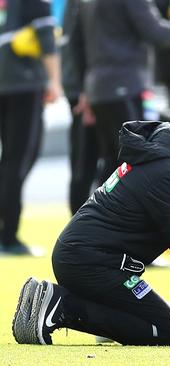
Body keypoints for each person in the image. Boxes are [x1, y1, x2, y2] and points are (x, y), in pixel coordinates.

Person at [12, 92, 170, 346]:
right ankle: (61, 305)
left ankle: (106, 318)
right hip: (91, 265)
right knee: (168, 331)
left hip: (90, 259)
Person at [70, 0, 170, 184]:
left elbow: (76, 45)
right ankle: (109, 211)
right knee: (135, 161)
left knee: (114, 162)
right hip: (127, 86)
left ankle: (100, 211)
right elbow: (158, 34)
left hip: (99, 90)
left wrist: (86, 89)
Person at [0, 0, 63, 255]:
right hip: (23, 85)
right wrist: (55, 82)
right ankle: (9, 237)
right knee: (19, 159)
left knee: (9, 163)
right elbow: (46, 37)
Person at [61, 0, 99, 215]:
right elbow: (77, 45)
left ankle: (82, 222)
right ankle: (79, 223)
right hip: (85, 90)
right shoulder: (82, 4)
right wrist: (85, 91)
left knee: (84, 160)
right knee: (85, 161)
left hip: (85, 86)